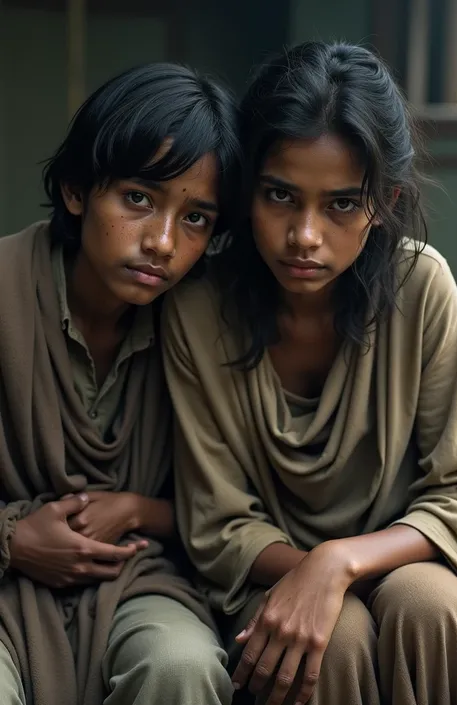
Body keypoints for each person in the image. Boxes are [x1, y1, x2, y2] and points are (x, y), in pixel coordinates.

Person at [163, 41, 457, 705]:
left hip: (404, 562)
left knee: (431, 604)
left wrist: (339, 561)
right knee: (335, 634)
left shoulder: (421, 287)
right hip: (263, 576)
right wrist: (308, 574)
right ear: (248, 191)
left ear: (384, 201)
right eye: (281, 195)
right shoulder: (196, 306)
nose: (304, 235)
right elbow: (216, 521)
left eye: (339, 204)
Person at [0, 62, 240, 705]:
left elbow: (238, 503)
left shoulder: (201, 323)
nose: (162, 242)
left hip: (139, 575)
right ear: (78, 190)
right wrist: (13, 539)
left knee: (180, 665)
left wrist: (138, 510)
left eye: (196, 219)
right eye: (139, 198)